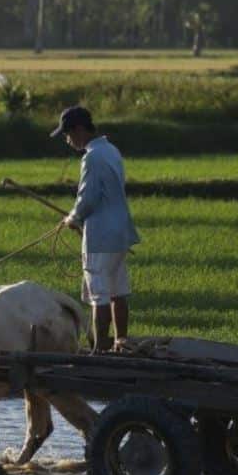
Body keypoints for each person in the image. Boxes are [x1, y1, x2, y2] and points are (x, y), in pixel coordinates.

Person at [50, 106, 140, 352]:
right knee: (118, 290)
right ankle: (120, 341)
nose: (68, 141)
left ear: (79, 130)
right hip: (119, 232)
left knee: (99, 295)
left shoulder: (91, 156)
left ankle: (99, 349)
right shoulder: (111, 150)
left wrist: (72, 218)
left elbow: (88, 199)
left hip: (100, 235)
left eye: (68, 135)